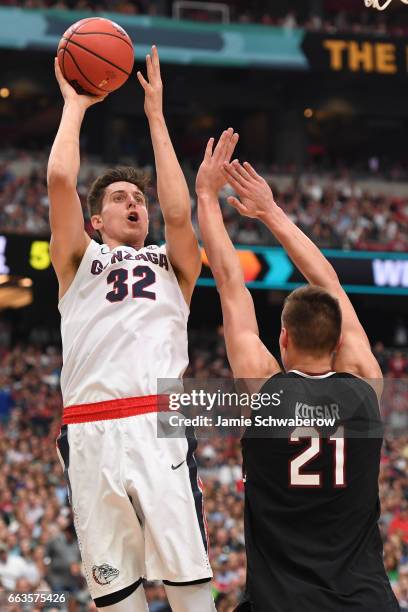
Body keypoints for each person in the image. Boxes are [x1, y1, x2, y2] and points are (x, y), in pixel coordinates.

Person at [196, 129, 399, 611]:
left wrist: (206, 194)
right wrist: (271, 211)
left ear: (282, 339)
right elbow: (327, 281)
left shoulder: (264, 392)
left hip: (280, 601)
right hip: (366, 601)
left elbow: (229, 283)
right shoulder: (366, 387)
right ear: (339, 343)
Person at [48, 47, 215, 612]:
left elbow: (177, 209)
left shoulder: (175, 263)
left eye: (137, 197)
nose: (134, 203)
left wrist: (156, 115)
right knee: (115, 597)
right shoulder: (77, 260)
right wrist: (74, 105)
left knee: (191, 588)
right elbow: (58, 177)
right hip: (89, 427)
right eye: (120, 198)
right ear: (96, 220)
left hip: (158, 416)